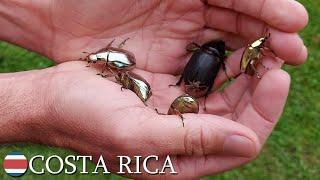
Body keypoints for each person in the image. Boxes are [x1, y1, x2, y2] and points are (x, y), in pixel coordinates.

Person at [0, 0, 308, 178]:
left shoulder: (197, 52)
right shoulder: (212, 54)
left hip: (187, 74)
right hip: (197, 69)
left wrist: (49, 12)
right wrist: (37, 104)